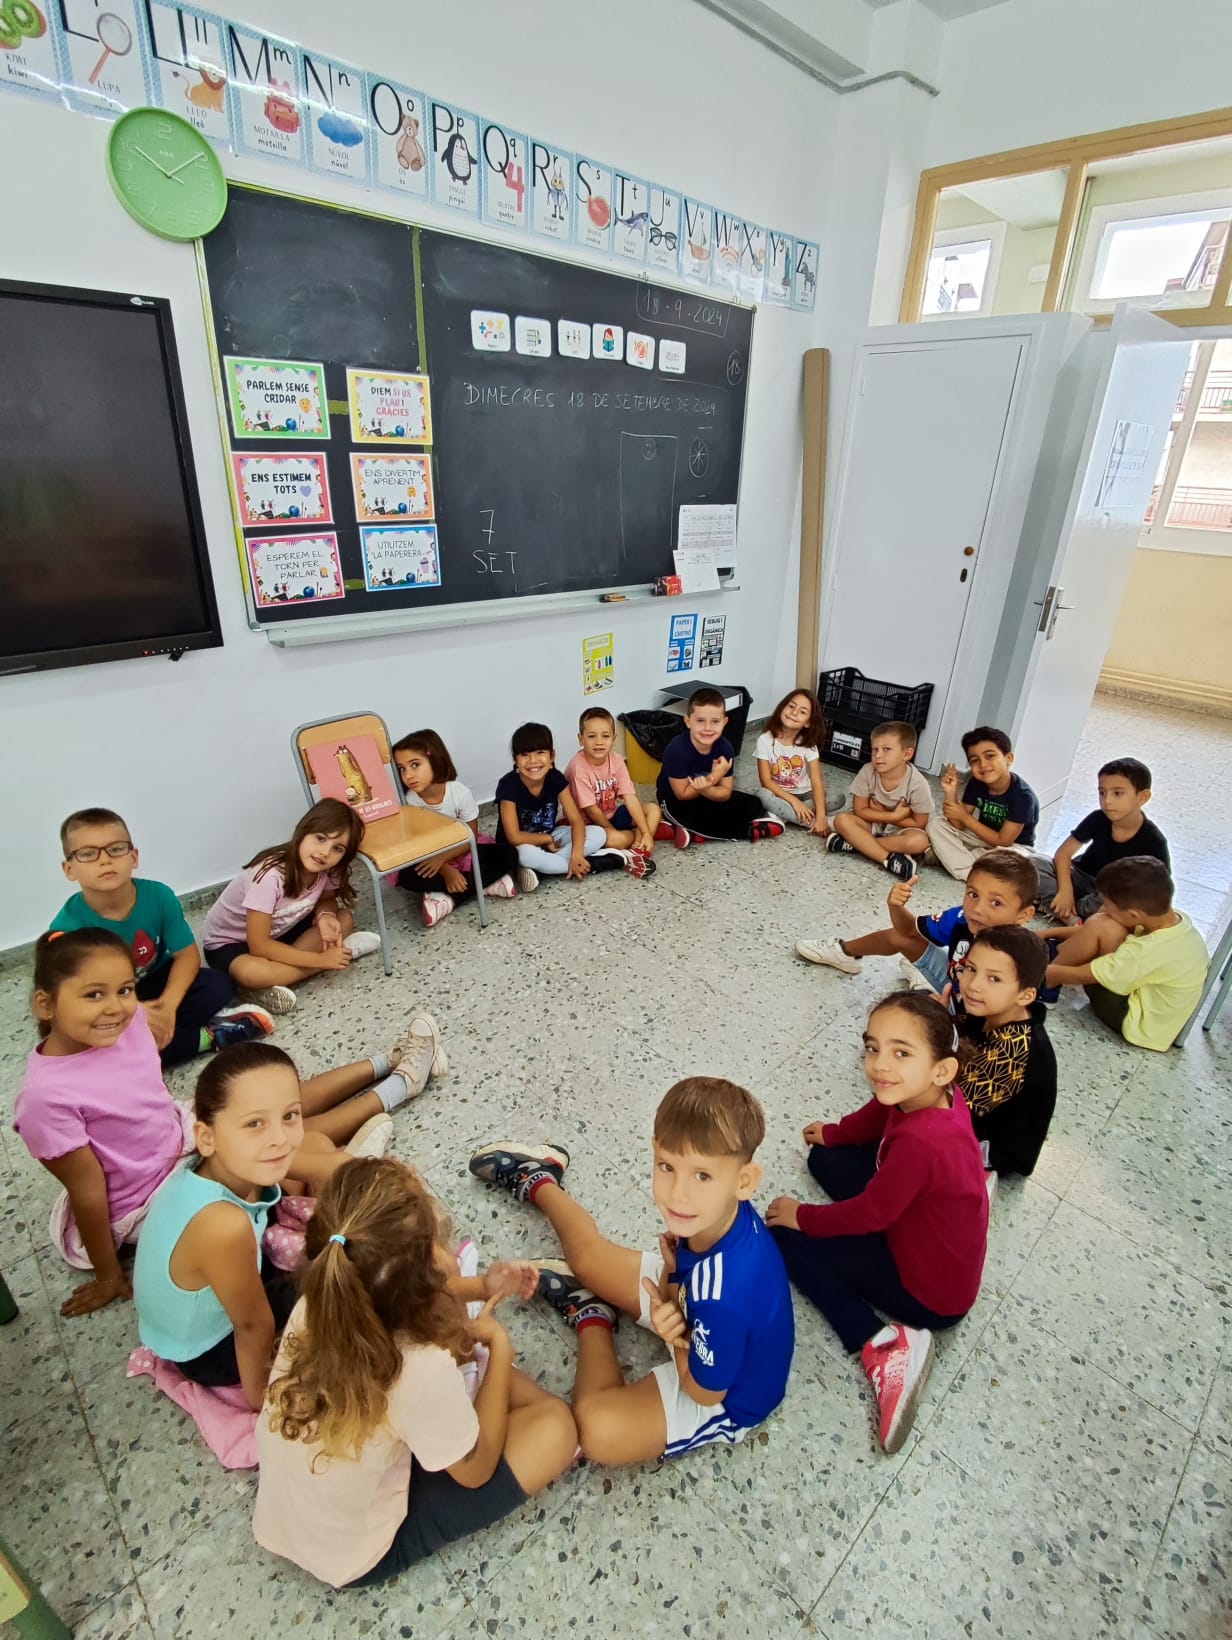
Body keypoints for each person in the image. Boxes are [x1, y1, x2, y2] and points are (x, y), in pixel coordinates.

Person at [12, 930, 443, 1318]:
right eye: (93, 995)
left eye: (125, 989)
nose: (115, 1006)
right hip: (151, 1193)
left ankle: (389, 1059)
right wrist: (109, 1276)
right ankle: (400, 1088)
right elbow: (88, 1192)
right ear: (45, 1004)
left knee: (265, 1101)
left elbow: (142, 1100)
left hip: (178, 1133)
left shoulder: (128, 1020)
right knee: (287, 1141)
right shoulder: (46, 1098)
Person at [253, 1157, 577, 1587]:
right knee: (556, 1426)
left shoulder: (323, 1299)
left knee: (467, 1357)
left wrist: (482, 1286)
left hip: (290, 1517)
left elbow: (399, 1288)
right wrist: (500, 1348)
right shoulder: (419, 1364)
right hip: (356, 1556)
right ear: (429, 1266)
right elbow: (475, 1470)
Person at [467, 1076, 795, 1465]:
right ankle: (538, 1177)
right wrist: (672, 1279)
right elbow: (692, 1287)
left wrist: (676, 1333)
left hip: (725, 1394)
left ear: (745, 1181)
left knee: (595, 1430)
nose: (678, 1193)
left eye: (702, 1175)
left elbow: (705, 1393)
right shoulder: (710, 1213)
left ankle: (592, 1316)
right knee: (588, 1258)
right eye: (667, 1166)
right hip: (689, 1301)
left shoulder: (725, 1295)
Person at [134, 1039, 437, 1406]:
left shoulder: (232, 1159)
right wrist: (262, 1400)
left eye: (290, 1115)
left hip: (223, 1286)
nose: (279, 1138)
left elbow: (333, 1166)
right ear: (206, 1137)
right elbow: (253, 1325)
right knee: (355, 1274)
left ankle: (359, 1154)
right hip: (211, 1348)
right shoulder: (223, 1225)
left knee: (316, 1142)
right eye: (255, 1123)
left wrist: (391, 1188)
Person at [765, 993, 988, 1454]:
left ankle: (884, 1345)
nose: (879, 1065)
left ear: (941, 1069)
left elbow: (870, 1214)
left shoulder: (922, 1144)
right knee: (824, 1158)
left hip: (929, 1294)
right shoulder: (936, 1094)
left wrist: (802, 1216)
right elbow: (882, 1109)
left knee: (782, 1237)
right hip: (929, 1235)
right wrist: (836, 1133)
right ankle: (964, 1182)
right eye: (873, 1047)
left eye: (900, 1053)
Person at [50, 807, 266, 1065]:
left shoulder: (159, 896)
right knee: (96, 1047)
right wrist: (137, 1014)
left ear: (134, 857)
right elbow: (75, 1000)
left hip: (157, 981)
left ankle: (155, 1036)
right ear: (69, 869)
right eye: (87, 854)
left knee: (218, 985)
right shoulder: (68, 929)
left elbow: (187, 957)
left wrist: (167, 1006)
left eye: (116, 849)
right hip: (108, 1000)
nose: (105, 860)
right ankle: (206, 1036)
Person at [202, 798, 382, 1015]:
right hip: (233, 943)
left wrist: (325, 916)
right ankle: (341, 955)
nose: (325, 852)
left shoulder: (331, 869)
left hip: (281, 928)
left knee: (343, 919)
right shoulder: (269, 876)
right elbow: (258, 945)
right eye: (320, 838)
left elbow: (326, 898)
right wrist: (320, 960)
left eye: (337, 848)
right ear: (303, 831)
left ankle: (271, 981)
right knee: (252, 973)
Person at [797, 847, 1038, 1002]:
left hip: (975, 1011)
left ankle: (924, 982)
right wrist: (896, 906)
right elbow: (909, 931)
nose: (979, 908)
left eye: (996, 903)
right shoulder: (962, 917)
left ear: (1024, 915)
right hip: (955, 985)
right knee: (898, 937)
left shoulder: (1020, 956)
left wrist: (946, 1015)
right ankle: (845, 952)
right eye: (973, 894)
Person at [1043, 857, 1209, 1052]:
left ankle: (1046, 985)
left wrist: (1047, 972)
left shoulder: (1147, 952)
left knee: (1103, 925)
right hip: (1149, 1005)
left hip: (1134, 1021)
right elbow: (1092, 930)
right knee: (1105, 923)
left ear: (1133, 915)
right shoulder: (1170, 919)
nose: (1103, 909)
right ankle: (1062, 952)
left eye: (1107, 905)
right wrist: (1050, 932)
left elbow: (1087, 974)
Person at [956, 926, 1056, 1187]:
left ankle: (983, 1179)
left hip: (994, 1147)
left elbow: (952, 1106)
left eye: (994, 979)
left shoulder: (1014, 1051)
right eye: (971, 968)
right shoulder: (992, 1008)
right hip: (979, 1108)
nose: (973, 985)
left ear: (1026, 995)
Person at [496, 722, 650, 889]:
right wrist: (546, 839)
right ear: (515, 759)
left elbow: (576, 821)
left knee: (598, 833)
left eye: (540, 753)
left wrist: (576, 854)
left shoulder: (556, 778)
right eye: (524, 755)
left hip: (552, 836)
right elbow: (514, 837)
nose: (533, 761)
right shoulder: (508, 785)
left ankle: (545, 870)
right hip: (521, 845)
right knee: (525, 855)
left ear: (552, 756)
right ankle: (597, 863)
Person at [392, 728, 520, 928]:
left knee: (509, 854)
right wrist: (445, 870)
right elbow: (418, 847)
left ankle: (447, 899)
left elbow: (471, 836)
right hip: (430, 856)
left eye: (415, 765)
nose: (408, 775)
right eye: (402, 768)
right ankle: (483, 884)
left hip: (462, 848)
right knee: (407, 877)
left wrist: (445, 860)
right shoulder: (410, 802)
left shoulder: (459, 792)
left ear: (435, 760)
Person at [1036, 758, 1170, 922]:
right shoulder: (1098, 818)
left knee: (1118, 903)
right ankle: (1068, 914)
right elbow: (1063, 855)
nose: (1107, 801)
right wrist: (1065, 891)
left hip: (1109, 893)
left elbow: (1158, 889)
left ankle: (1067, 913)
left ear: (1142, 797)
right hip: (1080, 876)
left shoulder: (1154, 841)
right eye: (1102, 792)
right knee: (1034, 863)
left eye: (1118, 793)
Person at [656, 688, 784, 847]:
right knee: (692, 815)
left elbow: (725, 793)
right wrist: (713, 778)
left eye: (715, 721)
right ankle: (749, 831)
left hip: (708, 794)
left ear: (724, 722)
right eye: (700, 721)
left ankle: (691, 832)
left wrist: (708, 787)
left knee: (753, 803)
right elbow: (683, 794)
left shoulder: (725, 748)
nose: (708, 728)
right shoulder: (677, 750)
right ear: (688, 721)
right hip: (675, 800)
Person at [927, 727, 1039, 883]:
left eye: (990, 756)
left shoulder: (1023, 796)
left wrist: (965, 817)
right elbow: (958, 824)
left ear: (1008, 759)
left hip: (1014, 847)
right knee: (936, 824)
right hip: (982, 837)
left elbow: (1003, 841)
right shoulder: (977, 783)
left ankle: (959, 863)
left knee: (1012, 861)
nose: (983, 764)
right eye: (975, 760)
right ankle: (976, 867)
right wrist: (951, 792)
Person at [825, 721, 932, 881]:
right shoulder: (867, 771)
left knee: (920, 842)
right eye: (875, 749)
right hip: (870, 824)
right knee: (842, 820)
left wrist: (893, 819)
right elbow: (860, 810)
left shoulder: (918, 784)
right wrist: (892, 816)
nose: (878, 756)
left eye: (886, 749)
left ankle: (857, 844)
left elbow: (920, 823)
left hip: (899, 831)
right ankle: (888, 859)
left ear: (907, 754)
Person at [566, 706, 665, 858]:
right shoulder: (577, 768)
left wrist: (645, 832)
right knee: (615, 839)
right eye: (592, 736)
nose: (599, 742)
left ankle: (641, 840)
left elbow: (630, 797)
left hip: (613, 815)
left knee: (654, 810)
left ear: (614, 738)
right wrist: (612, 830)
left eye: (605, 736)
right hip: (590, 825)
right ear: (581, 739)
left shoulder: (617, 760)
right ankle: (639, 840)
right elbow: (591, 810)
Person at [755, 688, 837, 834]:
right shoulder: (764, 740)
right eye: (791, 706)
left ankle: (782, 815)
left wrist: (821, 815)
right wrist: (795, 803)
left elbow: (816, 781)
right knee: (761, 795)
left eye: (802, 712)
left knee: (837, 797)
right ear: (782, 707)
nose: (794, 712)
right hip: (779, 794)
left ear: (808, 723)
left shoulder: (808, 745)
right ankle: (815, 822)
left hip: (804, 793)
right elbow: (766, 781)